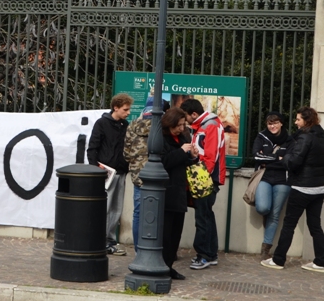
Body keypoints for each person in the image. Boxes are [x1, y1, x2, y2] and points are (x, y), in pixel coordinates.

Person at [124, 103, 194, 280]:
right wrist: (181, 152)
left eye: (183, 124)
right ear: (169, 124)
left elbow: (183, 161)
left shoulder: (183, 137)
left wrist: (193, 156)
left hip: (179, 190)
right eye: (177, 125)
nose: (181, 128)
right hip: (165, 191)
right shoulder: (160, 139)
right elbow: (163, 161)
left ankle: (169, 266)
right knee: (164, 233)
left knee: (175, 234)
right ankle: (158, 265)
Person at [261, 106, 324, 272]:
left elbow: (294, 162)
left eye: (298, 119)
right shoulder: (322, 136)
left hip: (303, 187)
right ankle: (321, 262)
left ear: (306, 121)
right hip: (319, 188)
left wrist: (283, 158)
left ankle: (278, 260)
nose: (295, 122)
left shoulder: (305, 138)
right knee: (315, 226)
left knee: (289, 224)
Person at [181, 98, 225, 270]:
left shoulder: (210, 126)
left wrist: (199, 174)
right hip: (205, 176)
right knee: (206, 215)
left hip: (205, 177)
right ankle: (210, 254)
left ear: (194, 114)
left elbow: (210, 156)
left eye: (186, 117)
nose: (185, 121)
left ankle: (204, 255)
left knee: (203, 217)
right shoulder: (205, 125)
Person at [87, 92, 132, 256]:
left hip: (120, 171)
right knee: (105, 207)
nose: (128, 112)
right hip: (106, 172)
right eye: (125, 109)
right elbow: (93, 147)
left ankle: (109, 239)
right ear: (116, 107)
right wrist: (95, 168)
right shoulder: (102, 123)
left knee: (116, 208)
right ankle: (100, 239)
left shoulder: (125, 125)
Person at [252, 111, 291, 259]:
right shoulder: (261, 136)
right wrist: (277, 157)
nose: (272, 126)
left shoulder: (290, 139)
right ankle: (265, 215)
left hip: (283, 180)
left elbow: (290, 159)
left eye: (275, 122)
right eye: (269, 123)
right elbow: (256, 155)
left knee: (275, 215)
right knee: (263, 208)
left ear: (281, 123)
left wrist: (267, 158)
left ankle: (265, 248)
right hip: (264, 176)